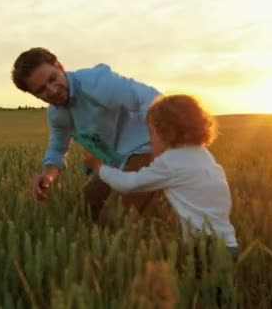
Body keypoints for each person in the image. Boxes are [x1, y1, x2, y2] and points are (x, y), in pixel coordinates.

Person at [10, 47, 171, 223]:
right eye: (41, 90)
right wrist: (48, 175)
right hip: (116, 161)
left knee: (113, 218)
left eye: (53, 79)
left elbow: (152, 100)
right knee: (85, 209)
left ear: (60, 67)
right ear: (33, 94)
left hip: (147, 149)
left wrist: (161, 152)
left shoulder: (96, 82)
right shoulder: (57, 114)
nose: (53, 90)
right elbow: (58, 148)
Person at [82, 94, 238, 254]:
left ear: (167, 132)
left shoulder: (170, 162)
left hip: (205, 248)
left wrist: (99, 167)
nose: (150, 141)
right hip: (229, 245)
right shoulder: (204, 155)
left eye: (152, 133)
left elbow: (127, 184)